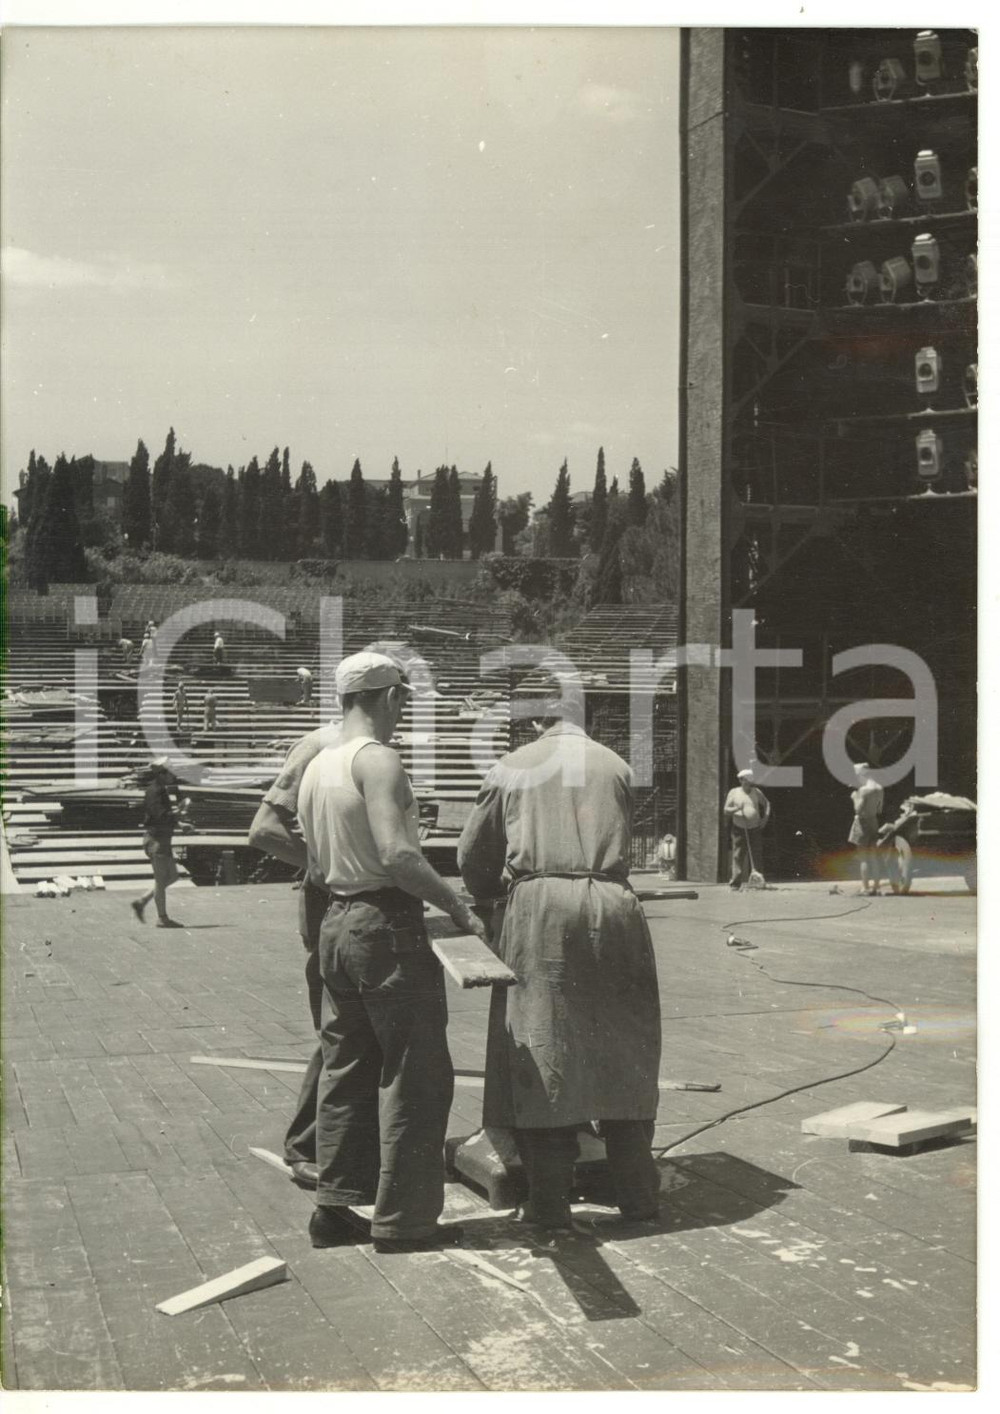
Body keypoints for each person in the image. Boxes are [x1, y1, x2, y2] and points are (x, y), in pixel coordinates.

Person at [296, 651, 485, 1253]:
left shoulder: (319, 763)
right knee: (415, 1073)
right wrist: (456, 905)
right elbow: (399, 855)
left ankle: (333, 1206)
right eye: (402, 697)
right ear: (388, 697)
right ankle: (404, 1221)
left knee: (347, 1068)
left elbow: (316, 857)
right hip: (384, 924)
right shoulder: (377, 761)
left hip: (336, 921)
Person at [457, 704, 663, 1233]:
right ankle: (638, 1195)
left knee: (543, 1041)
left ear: (534, 724)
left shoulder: (513, 765)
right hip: (614, 903)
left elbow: (473, 855)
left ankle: (549, 1204)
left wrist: (487, 897)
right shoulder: (616, 764)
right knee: (624, 1046)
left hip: (542, 905)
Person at [248, 717, 345, 1192]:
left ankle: (331, 1141)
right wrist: (331, 868)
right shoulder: (321, 744)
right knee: (338, 1031)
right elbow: (265, 830)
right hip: (333, 906)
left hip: (355, 905)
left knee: (349, 1030)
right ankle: (306, 1146)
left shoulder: (369, 747)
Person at [131, 758, 188, 928]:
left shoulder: (160, 790)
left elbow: (164, 816)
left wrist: (180, 824)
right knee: (161, 879)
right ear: (162, 774)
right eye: (171, 773)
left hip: (163, 839)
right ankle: (162, 918)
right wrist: (179, 813)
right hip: (156, 840)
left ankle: (142, 902)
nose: (174, 777)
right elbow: (160, 816)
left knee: (172, 877)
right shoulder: (154, 792)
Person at [724, 767, 771, 890]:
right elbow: (726, 810)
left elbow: (767, 804)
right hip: (739, 828)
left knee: (756, 854)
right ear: (741, 780)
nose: (748, 782)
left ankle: (758, 882)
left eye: (750, 780)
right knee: (738, 855)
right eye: (745, 780)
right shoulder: (734, 792)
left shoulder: (756, 792)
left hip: (755, 828)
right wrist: (736, 809)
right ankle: (735, 883)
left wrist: (765, 819)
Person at [849, 762, 884, 895]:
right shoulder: (880, 788)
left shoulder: (863, 790)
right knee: (874, 856)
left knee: (863, 857)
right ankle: (876, 887)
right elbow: (879, 809)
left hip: (862, 823)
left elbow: (857, 808)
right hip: (874, 821)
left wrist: (854, 797)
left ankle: (865, 888)